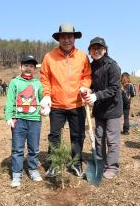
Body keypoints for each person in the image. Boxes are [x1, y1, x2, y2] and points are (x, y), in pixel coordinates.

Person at [40, 24, 92, 177]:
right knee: (55, 135)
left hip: (76, 104)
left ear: (74, 38)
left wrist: (84, 87)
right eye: (63, 37)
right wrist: (47, 95)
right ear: (59, 39)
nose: (67, 40)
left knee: (78, 135)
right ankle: (55, 163)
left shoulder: (82, 56)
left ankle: (76, 163)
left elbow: (87, 76)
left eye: (70, 36)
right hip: (56, 104)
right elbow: (44, 78)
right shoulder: (49, 57)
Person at [83, 36, 122, 179]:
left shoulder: (112, 66)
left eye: (99, 48)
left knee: (112, 139)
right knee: (99, 137)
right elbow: (91, 84)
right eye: (93, 49)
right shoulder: (92, 67)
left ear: (104, 50)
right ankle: (100, 162)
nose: (96, 51)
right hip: (99, 109)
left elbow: (114, 88)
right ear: (90, 51)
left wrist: (96, 96)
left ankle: (112, 167)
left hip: (112, 108)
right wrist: (88, 90)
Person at [4, 55, 43, 187]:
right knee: (17, 148)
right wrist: (8, 116)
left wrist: (45, 107)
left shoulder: (38, 83)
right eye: (26, 65)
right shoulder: (15, 82)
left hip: (35, 120)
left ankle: (33, 169)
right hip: (18, 120)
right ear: (21, 67)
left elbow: (42, 99)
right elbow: (9, 101)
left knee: (34, 148)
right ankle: (16, 174)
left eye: (31, 66)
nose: (28, 68)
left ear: (35, 69)